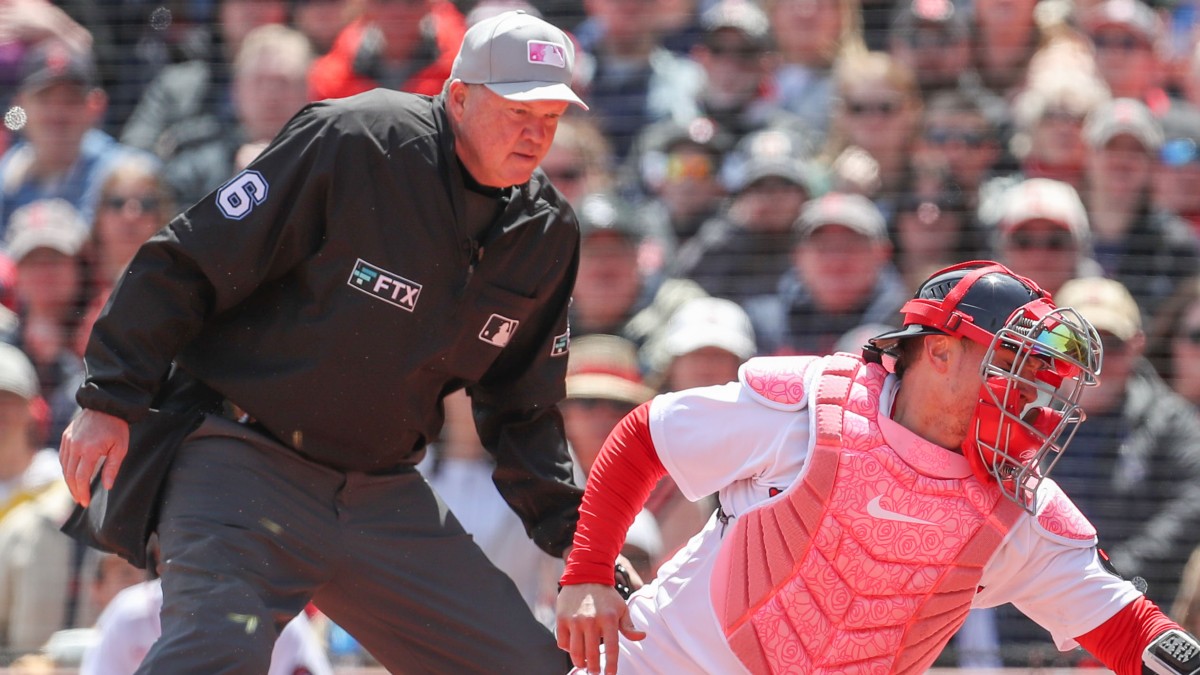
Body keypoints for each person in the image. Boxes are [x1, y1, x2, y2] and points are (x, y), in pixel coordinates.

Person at [59, 11, 588, 673]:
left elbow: (526, 409)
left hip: (379, 490)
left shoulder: (544, 232)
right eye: (517, 111)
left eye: (551, 117)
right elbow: (188, 260)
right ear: (458, 97)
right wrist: (109, 395)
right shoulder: (356, 139)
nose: (535, 133)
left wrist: (581, 545)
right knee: (215, 654)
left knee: (528, 665)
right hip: (240, 462)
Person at [556, 259, 1200, 674]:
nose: (1029, 394)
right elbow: (647, 434)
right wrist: (587, 574)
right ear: (942, 352)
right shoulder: (809, 404)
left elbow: (1124, 626)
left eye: (1039, 378)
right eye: (1014, 367)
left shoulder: (1019, 504)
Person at [993, 276, 1200, 660]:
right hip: (1016, 623)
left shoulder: (1172, 420)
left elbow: (1191, 505)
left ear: (1137, 345)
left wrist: (1103, 577)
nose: (1094, 364)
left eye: (1113, 345)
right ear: (1045, 351)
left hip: (1134, 609)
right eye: (1075, 347)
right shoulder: (1009, 411)